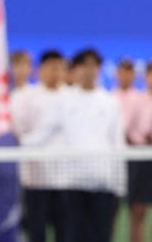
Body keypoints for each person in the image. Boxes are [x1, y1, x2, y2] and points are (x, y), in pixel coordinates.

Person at [61, 49, 126, 242]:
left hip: (103, 184)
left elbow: (118, 142)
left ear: (99, 69)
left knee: (101, 236)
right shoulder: (64, 101)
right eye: (84, 65)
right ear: (75, 70)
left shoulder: (110, 102)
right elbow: (45, 135)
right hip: (72, 184)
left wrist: (120, 185)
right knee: (73, 236)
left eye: (93, 65)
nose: (89, 70)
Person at [10, 50, 69, 242]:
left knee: (65, 231)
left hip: (67, 180)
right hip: (36, 178)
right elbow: (20, 133)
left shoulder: (72, 97)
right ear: (41, 70)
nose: (55, 72)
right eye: (51, 67)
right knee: (37, 231)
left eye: (59, 67)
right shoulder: (28, 96)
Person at [125, 61, 152, 242]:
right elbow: (128, 130)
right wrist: (141, 140)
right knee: (138, 210)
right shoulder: (137, 99)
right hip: (141, 159)